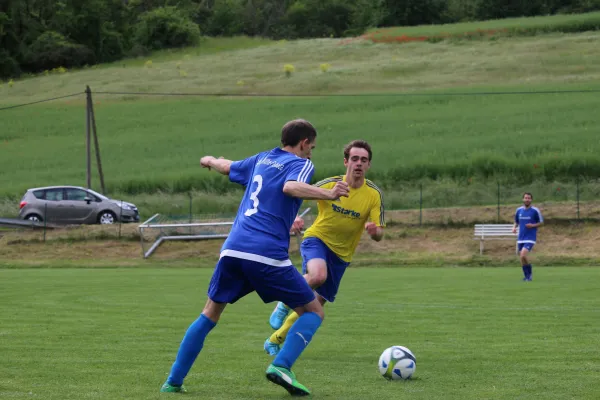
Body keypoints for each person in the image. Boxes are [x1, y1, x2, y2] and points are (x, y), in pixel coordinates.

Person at [160, 119, 349, 396]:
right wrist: (329, 193)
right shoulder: (301, 163)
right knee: (314, 311)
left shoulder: (262, 158)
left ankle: (173, 382)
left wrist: (210, 159)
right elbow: (290, 187)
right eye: (312, 147)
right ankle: (281, 365)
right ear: (304, 143)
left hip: (233, 248)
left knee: (210, 313)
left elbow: (226, 167)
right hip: (265, 253)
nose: (311, 153)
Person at [264, 140, 385, 355]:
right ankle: (283, 304)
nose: (358, 163)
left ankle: (275, 339)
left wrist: (375, 232)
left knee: (313, 307)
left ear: (369, 165)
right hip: (316, 240)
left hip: (342, 256)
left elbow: (380, 234)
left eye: (363, 160)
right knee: (318, 276)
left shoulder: (373, 195)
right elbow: (294, 194)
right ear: (346, 161)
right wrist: (292, 219)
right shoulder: (330, 185)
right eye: (354, 159)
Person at [512, 192, 543, 281]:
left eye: (529, 198)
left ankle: (529, 272)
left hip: (530, 238)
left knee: (522, 255)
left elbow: (541, 222)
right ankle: (527, 277)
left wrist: (532, 226)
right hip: (521, 238)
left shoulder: (535, 210)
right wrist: (514, 228)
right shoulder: (519, 210)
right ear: (523, 199)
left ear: (531, 200)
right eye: (525, 198)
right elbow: (516, 221)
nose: (527, 199)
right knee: (522, 259)